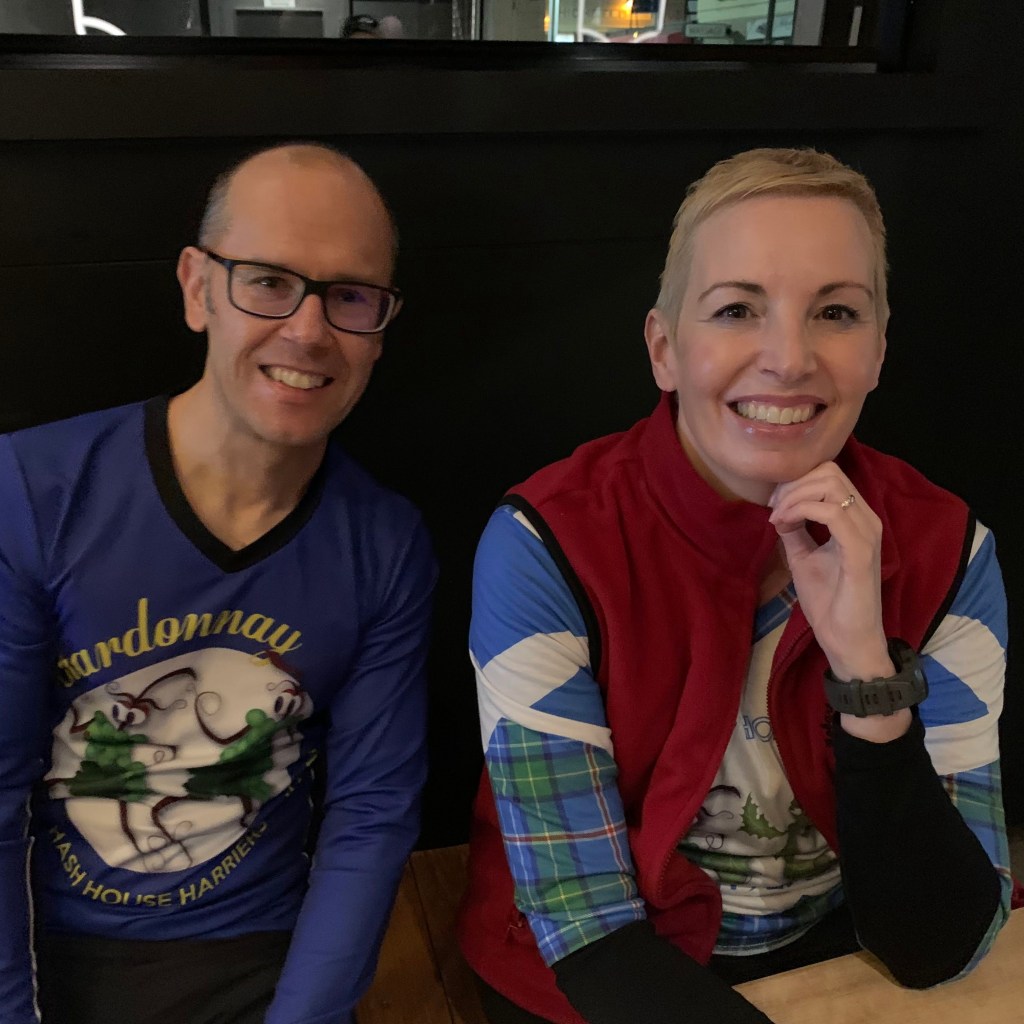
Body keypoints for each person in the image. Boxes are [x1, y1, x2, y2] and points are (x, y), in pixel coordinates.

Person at [457, 147, 1014, 1024]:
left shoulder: (951, 552)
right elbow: (586, 928)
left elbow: (940, 939)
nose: (788, 359)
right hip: (597, 971)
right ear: (665, 349)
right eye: (737, 309)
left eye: (836, 311)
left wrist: (868, 675)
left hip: (835, 945)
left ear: (877, 350)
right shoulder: (543, 544)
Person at [0, 142, 436, 1024]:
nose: (308, 331)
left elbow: (370, 815)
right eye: (268, 282)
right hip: (49, 951)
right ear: (198, 288)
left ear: (381, 327)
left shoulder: (386, 545)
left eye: (350, 296)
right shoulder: (32, 493)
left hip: (260, 960)